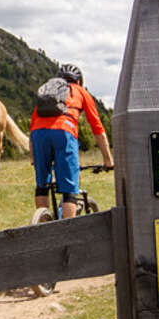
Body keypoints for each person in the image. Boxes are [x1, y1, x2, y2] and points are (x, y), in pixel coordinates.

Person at [30, 62, 113, 218]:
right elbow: (97, 128)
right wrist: (108, 160)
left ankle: (41, 225)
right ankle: (67, 232)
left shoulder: (47, 92)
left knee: (42, 186)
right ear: (79, 81)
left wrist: (33, 157)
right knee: (69, 191)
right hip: (64, 132)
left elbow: (33, 125)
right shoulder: (80, 91)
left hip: (38, 135)